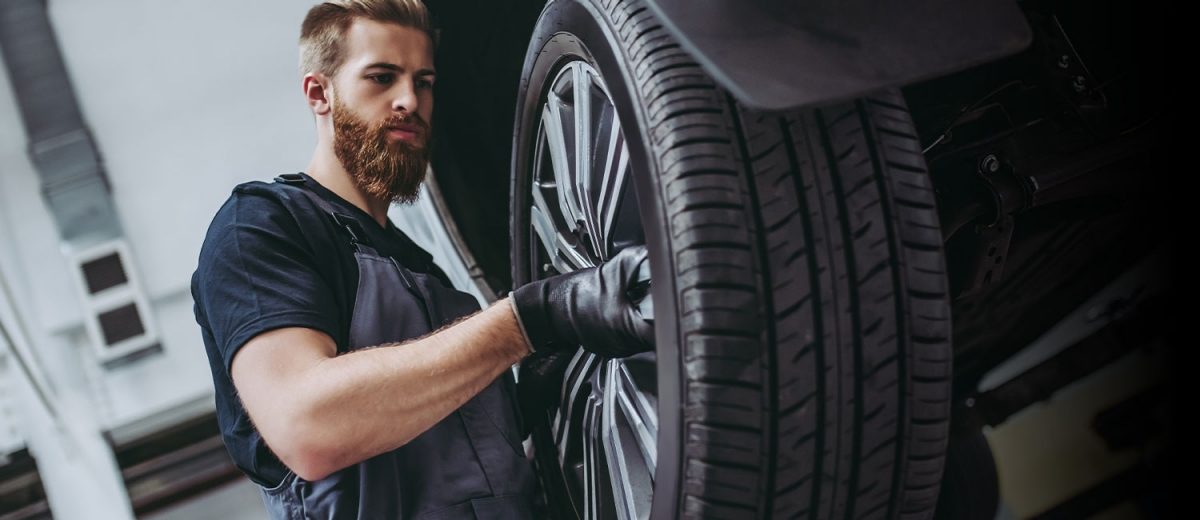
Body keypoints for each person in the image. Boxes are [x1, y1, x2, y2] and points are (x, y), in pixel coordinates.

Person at [189, 1, 654, 518]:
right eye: (382, 78)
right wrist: (526, 323)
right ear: (319, 93)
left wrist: (525, 403)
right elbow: (308, 426)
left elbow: (438, 444)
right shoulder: (261, 226)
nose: (409, 100)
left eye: (424, 81)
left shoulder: (419, 268)